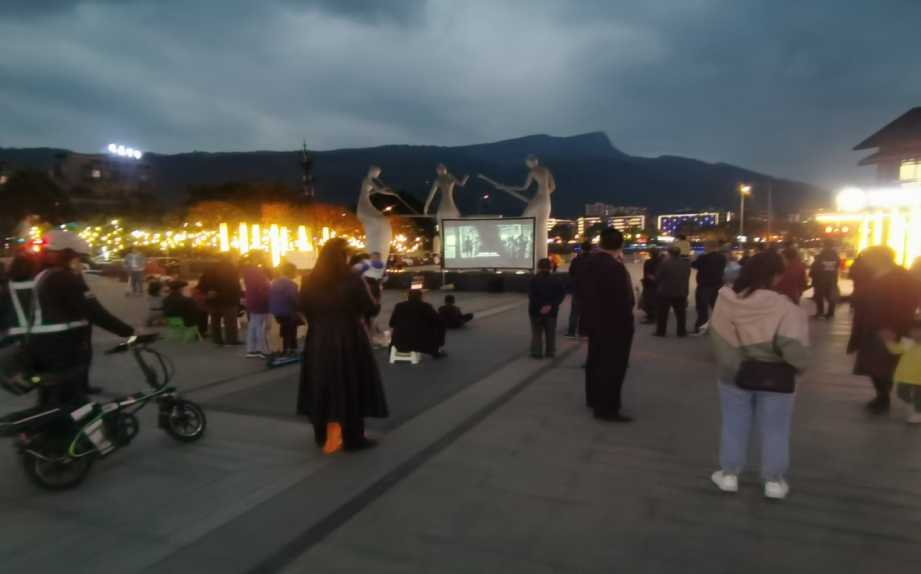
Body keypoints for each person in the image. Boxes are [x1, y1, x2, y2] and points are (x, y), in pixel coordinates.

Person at [708, 251, 809, 500]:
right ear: (776, 277)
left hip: (734, 375)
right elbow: (795, 350)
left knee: (734, 425)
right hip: (777, 378)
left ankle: (729, 475)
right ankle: (773, 481)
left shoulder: (725, 300)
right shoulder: (786, 308)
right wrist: (797, 368)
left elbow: (719, 337)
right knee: (776, 429)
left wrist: (736, 365)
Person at [297, 238, 387, 451]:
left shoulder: (309, 279)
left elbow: (303, 307)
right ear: (343, 255)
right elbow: (370, 308)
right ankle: (353, 436)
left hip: (319, 337)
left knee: (321, 382)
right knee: (351, 382)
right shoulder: (352, 278)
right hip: (349, 337)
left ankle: (321, 434)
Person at [24, 231, 135, 403]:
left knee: (52, 396)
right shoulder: (63, 277)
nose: (79, 261)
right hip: (61, 346)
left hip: (44, 345)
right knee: (70, 399)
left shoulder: (45, 273)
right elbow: (92, 310)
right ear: (67, 254)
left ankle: (48, 418)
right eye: (77, 257)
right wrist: (128, 331)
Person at [847, 245, 918, 413]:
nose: (864, 260)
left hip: (891, 328)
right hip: (870, 326)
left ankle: (885, 396)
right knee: (873, 364)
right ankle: (882, 394)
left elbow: (905, 304)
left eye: (868, 257)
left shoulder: (901, 278)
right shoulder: (870, 275)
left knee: (884, 364)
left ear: (879, 259)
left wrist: (893, 327)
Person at [580, 228, 635, 422]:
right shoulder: (615, 267)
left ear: (599, 243)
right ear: (621, 245)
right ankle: (607, 408)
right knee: (613, 367)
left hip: (593, 321)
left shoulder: (587, 263)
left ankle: (593, 398)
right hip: (614, 325)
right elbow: (622, 301)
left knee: (595, 361)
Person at [197, 254, 242, 347]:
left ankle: (216, 340)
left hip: (213, 300)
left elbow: (201, 284)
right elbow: (234, 285)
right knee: (230, 321)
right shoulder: (231, 268)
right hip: (228, 299)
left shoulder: (209, 268)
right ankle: (231, 340)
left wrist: (208, 292)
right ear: (229, 258)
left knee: (215, 321)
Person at [883, 320, 921, 424]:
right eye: (915, 330)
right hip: (906, 375)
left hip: (919, 377)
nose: (918, 334)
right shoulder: (908, 343)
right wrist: (889, 341)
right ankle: (915, 405)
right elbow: (895, 350)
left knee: (919, 395)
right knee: (902, 393)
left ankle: (918, 412)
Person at [389, 289, 446, 357]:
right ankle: (436, 349)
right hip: (421, 343)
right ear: (420, 297)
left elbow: (391, 323)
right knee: (439, 326)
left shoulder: (399, 306)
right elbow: (439, 321)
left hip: (400, 343)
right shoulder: (426, 306)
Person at [528, 258, 565, 359]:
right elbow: (561, 296)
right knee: (551, 331)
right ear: (550, 267)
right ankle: (550, 350)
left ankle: (536, 351)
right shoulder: (557, 280)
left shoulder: (533, 279)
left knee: (537, 331)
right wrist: (550, 306)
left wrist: (541, 307)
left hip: (535, 310)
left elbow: (532, 296)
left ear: (538, 267)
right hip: (552, 310)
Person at [690, 240, 726, 334]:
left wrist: (693, 259)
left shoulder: (703, 258)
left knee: (702, 308)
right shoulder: (722, 257)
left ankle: (701, 327)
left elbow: (694, 265)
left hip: (704, 285)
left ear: (707, 246)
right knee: (716, 308)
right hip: (718, 284)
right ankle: (718, 328)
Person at [653, 246, 690, 337]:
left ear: (669, 253)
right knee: (681, 314)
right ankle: (681, 331)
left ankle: (661, 331)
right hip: (681, 291)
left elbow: (658, 277)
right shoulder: (685, 264)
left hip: (665, 292)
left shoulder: (664, 263)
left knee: (662, 313)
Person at [240, 253, 271, 359]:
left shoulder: (246, 270)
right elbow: (262, 287)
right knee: (262, 326)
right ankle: (264, 350)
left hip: (252, 301)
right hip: (261, 302)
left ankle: (252, 349)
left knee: (253, 325)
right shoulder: (256, 271)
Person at [270, 262, 303, 356]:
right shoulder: (290, 284)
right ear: (292, 272)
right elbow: (294, 298)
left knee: (284, 329)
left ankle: (284, 349)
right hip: (288, 311)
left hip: (277, 311)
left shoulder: (275, 282)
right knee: (292, 328)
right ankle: (291, 348)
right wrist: (301, 306)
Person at [564, 241, 592, 338]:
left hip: (578, 288)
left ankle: (571, 332)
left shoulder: (576, 260)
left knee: (574, 312)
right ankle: (584, 332)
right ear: (591, 249)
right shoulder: (594, 260)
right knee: (587, 311)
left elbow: (571, 274)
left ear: (581, 248)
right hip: (590, 290)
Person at [810, 239, 841, 319]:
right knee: (831, 296)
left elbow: (815, 267)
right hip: (832, 278)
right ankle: (831, 312)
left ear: (824, 245)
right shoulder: (836, 256)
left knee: (819, 296)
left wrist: (813, 276)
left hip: (821, 279)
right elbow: (837, 266)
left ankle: (820, 311)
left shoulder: (821, 256)